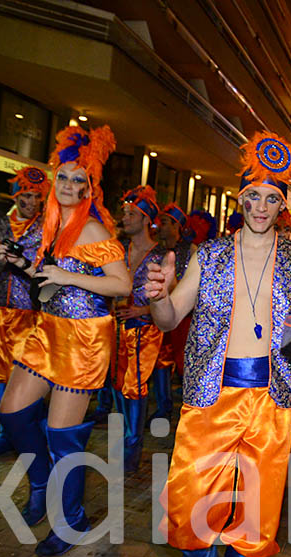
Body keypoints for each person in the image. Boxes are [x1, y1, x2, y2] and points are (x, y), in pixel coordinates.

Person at [147, 131, 291, 557]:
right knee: (195, 508)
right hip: (211, 398)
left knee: (256, 514)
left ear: (282, 204)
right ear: (241, 197)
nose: (261, 207)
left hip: (273, 402)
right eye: (254, 196)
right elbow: (170, 318)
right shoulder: (208, 256)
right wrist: (159, 297)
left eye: (272, 198)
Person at [0, 124, 130, 557]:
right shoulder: (51, 223)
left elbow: (121, 284)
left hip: (84, 339)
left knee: (62, 435)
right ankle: (39, 481)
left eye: (79, 180)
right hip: (47, 329)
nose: (70, 185)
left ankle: (70, 520)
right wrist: (19, 263)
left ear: (90, 187)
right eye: (64, 177)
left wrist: (66, 274)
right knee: (12, 414)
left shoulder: (90, 228)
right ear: (53, 179)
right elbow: (49, 282)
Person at [0, 166, 47, 458]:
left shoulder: (46, 228)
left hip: (28, 312)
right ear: (15, 196)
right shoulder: (0, 225)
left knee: (26, 373)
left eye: (34, 197)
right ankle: (5, 432)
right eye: (24, 196)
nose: (29, 202)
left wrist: (23, 262)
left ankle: (28, 430)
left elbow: (47, 274)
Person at [112, 185, 165, 472]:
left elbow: (173, 296)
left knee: (135, 387)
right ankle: (124, 441)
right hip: (118, 328)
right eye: (124, 212)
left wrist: (142, 310)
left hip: (145, 330)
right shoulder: (119, 250)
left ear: (146, 219)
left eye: (131, 213)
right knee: (119, 386)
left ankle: (133, 447)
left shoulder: (160, 255)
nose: (125, 217)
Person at [149, 202, 196, 426]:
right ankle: (163, 407)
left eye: (165, 222)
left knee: (184, 364)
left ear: (177, 226)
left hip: (186, 320)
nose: (159, 226)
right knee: (160, 362)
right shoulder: (153, 250)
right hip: (157, 317)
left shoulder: (193, 251)